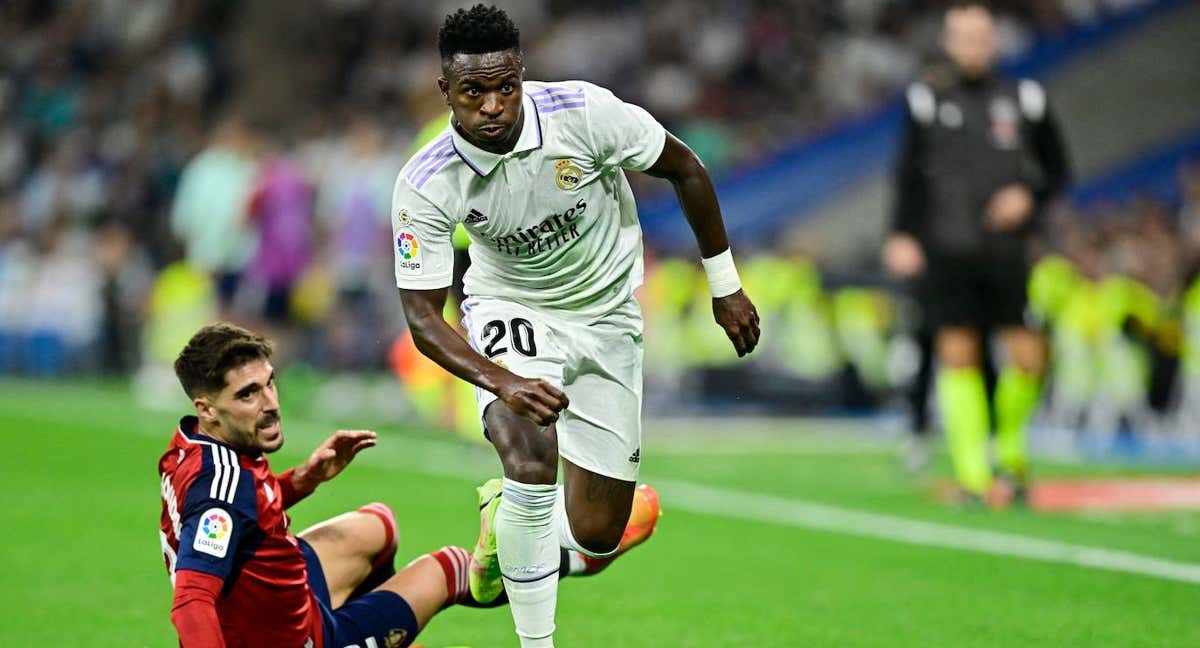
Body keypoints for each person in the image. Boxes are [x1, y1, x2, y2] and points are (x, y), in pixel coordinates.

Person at [391, 5, 758, 646]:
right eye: (473, 92)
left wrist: (724, 286)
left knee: (597, 532)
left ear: (523, 75)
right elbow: (423, 317)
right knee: (530, 458)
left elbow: (686, 168)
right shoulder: (426, 183)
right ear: (445, 91)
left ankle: (505, 527)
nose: (493, 106)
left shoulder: (583, 113)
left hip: (609, 314)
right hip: (513, 307)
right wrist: (501, 380)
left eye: (506, 86)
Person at [160, 322, 479, 648]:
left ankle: (373, 630)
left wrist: (303, 480)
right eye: (248, 394)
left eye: (269, 382)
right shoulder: (221, 490)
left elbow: (241, 510)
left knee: (377, 525)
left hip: (269, 605)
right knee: (451, 568)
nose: (270, 403)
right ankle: (533, 593)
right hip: (291, 637)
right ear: (207, 409)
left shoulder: (192, 445)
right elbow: (192, 601)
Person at [883, 1, 1070, 504]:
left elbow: (1057, 169)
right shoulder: (926, 99)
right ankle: (972, 475)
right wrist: (902, 234)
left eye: (982, 36)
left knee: (1029, 357)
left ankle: (1009, 454)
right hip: (948, 249)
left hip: (1008, 251)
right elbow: (907, 174)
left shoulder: (1025, 97)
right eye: (964, 37)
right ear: (949, 42)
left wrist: (1028, 195)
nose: (974, 46)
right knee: (957, 355)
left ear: (995, 40)